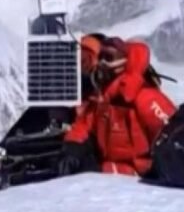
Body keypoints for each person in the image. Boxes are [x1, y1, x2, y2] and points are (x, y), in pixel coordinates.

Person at [62, 35, 177, 177]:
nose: (103, 63)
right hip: (111, 169)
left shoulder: (145, 98)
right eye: (101, 57)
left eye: (109, 58)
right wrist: (73, 149)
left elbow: (174, 133)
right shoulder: (103, 99)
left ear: (125, 62)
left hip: (142, 176)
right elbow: (83, 125)